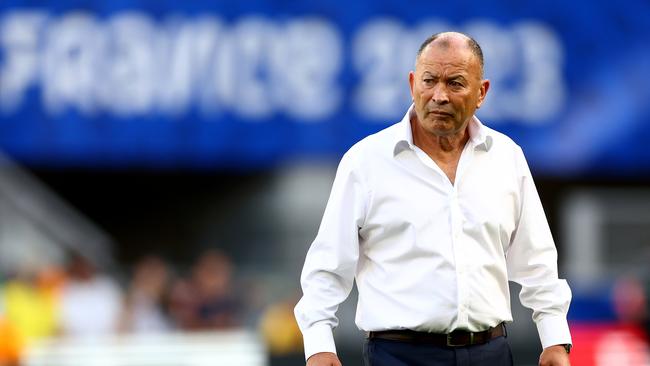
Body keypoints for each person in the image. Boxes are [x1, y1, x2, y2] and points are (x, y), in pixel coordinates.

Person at [294, 32, 572, 366]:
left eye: (455, 83)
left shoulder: (507, 158)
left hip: (491, 353)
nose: (439, 95)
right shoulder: (366, 162)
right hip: (398, 356)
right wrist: (319, 345)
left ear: (481, 92)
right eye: (429, 81)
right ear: (413, 83)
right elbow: (327, 267)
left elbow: (537, 260)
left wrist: (555, 339)